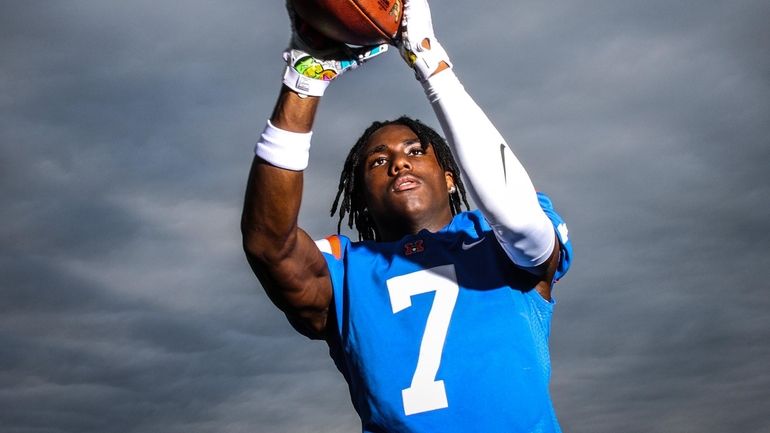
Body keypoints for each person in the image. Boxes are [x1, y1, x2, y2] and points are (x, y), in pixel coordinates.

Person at [241, 0, 573, 431]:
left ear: (452, 177)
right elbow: (269, 245)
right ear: (360, 195)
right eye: (378, 162)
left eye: (416, 152)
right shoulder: (346, 271)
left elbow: (521, 223)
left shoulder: (497, 237)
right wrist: (304, 80)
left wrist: (429, 59)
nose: (399, 164)